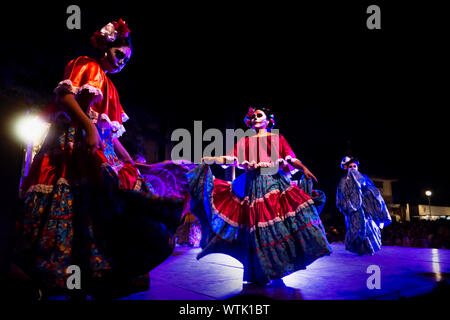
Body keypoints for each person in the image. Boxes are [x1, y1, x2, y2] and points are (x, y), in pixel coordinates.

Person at [14, 19, 186, 299]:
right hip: (75, 145)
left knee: (99, 208)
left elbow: (111, 134)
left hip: (97, 149)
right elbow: (66, 97)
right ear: (106, 47)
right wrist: (88, 126)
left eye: (127, 60)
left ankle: (93, 274)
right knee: (76, 202)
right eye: (119, 54)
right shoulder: (87, 64)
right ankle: (61, 274)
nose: (122, 62)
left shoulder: (111, 88)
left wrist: (131, 161)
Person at [187, 105, 332, 285]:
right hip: (253, 186)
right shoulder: (245, 142)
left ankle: (280, 265)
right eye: (253, 116)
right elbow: (230, 158)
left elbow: (290, 158)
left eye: (259, 115)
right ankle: (262, 271)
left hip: (273, 184)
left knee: (275, 227)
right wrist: (211, 159)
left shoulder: (277, 139)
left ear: (268, 120)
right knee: (256, 229)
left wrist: (304, 168)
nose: (255, 117)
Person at [336, 156, 392, 255]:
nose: (353, 168)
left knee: (368, 227)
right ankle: (358, 248)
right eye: (350, 166)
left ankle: (368, 249)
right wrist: (347, 205)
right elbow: (341, 195)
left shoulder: (362, 177)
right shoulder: (343, 180)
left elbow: (371, 190)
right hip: (352, 208)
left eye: (354, 166)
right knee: (356, 228)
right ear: (346, 168)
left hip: (365, 207)